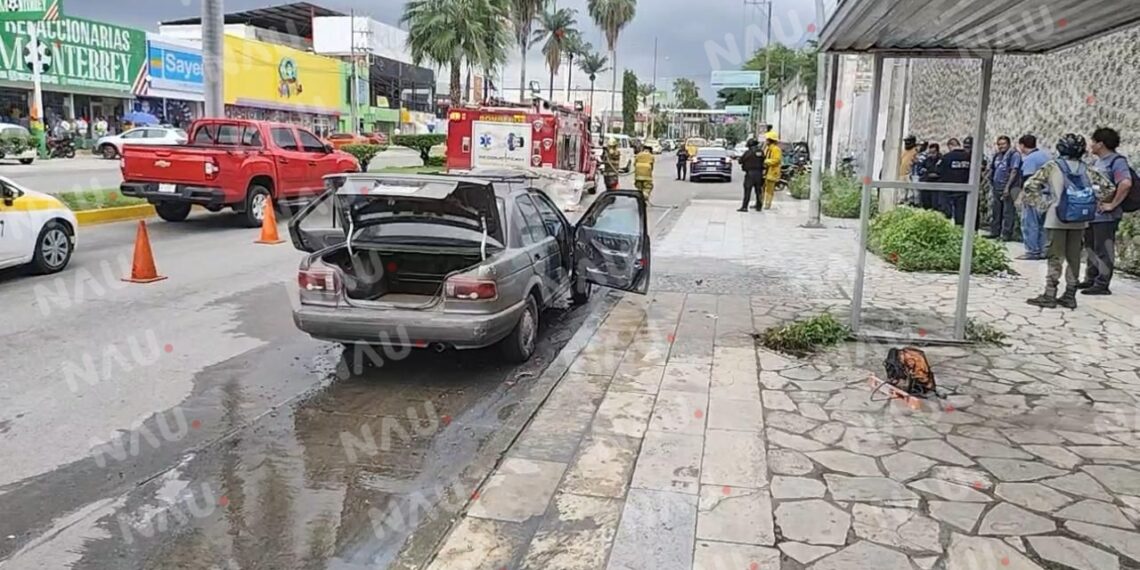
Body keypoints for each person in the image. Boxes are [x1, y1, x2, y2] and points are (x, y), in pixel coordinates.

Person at [1020, 134, 1114, 309]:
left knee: (1055, 256)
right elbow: (1109, 187)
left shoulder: (1052, 166)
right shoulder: (1087, 168)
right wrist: (1095, 200)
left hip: (1056, 217)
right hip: (1080, 219)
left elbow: (1029, 186)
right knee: (1074, 258)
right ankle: (1070, 295)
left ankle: (1050, 294)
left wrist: (1043, 204)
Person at [1080, 127, 1134, 295]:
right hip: (1093, 213)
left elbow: (1125, 183)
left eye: (1093, 142)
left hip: (1106, 215)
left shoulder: (1116, 161)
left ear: (1100, 144)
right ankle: (1090, 279)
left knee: (1103, 248)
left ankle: (1102, 283)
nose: (1091, 145)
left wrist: (1113, 204)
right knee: (1090, 246)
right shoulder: (1098, 162)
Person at [1017, 134, 1050, 260]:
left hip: (1034, 195)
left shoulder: (1029, 159)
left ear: (1022, 145)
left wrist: (1022, 196)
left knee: (1030, 223)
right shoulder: (1045, 156)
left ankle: (1032, 251)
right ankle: (1043, 250)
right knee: (1043, 224)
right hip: (1047, 194)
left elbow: (1028, 179)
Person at [987, 135, 1021, 240]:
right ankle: (995, 232)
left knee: (1007, 212)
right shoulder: (997, 156)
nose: (1001, 146)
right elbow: (993, 168)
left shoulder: (1014, 155)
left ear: (1008, 144)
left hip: (1009, 188)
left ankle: (1006, 234)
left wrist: (1007, 187)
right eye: (999, 144)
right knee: (996, 211)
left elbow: (1014, 171)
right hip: (997, 187)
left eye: (1003, 144)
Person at [937, 138, 972, 224]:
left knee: (946, 210)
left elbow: (938, 170)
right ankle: (959, 228)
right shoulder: (969, 157)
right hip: (964, 188)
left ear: (950, 146)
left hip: (949, 188)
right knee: (960, 211)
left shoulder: (946, 157)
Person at [737, 139, 764, 212]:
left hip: (750, 174)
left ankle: (745, 207)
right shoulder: (761, 152)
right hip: (759, 174)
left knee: (747, 191)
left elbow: (740, 161)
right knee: (758, 191)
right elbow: (763, 160)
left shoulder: (748, 153)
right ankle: (759, 206)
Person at [917, 142, 942, 209]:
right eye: (930, 152)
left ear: (937, 151)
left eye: (933, 152)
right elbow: (921, 169)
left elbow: (939, 172)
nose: (931, 155)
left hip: (936, 186)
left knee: (935, 205)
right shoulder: (927, 160)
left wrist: (930, 172)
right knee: (926, 204)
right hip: (926, 184)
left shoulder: (941, 160)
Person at [762, 131, 783, 210]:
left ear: (770, 140)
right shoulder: (767, 149)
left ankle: (768, 204)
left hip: (772, 172)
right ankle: (761, 202)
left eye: (767, 139)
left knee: (769, 190)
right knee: (763, 188)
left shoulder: (776, 149)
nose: (765, 141)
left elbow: (776, 160)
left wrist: (766, 161)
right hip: (766, 172)